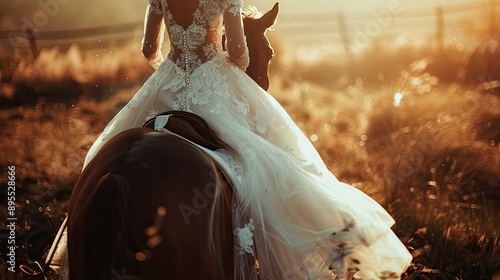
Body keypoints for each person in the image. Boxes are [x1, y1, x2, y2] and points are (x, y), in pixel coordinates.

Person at [82, 0, 412, 279]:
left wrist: (173, 69)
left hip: (167, 85)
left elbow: (148, 49)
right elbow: (239, 54)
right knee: (261, 159)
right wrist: (215, 67)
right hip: (212, 82)